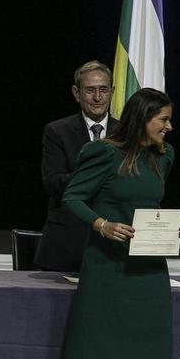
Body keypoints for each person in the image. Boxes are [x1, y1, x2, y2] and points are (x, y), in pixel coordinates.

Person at [60, 87, 180, 359]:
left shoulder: (164, 156)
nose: (169, 127)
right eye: (163, 120)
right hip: (107, 267)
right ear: (143, 119)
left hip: (148, 268)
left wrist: (175, 228)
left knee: (154, 343)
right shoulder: (104, 153)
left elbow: (150, 205)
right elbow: (72, 198)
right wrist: (102, 224)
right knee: (94, 342)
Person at [36, 61, 118, 271]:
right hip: (67, 244)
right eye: (90, 90)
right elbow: (54, 182)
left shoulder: (126, 133)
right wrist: (103, 179)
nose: (97, 97)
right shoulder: (57, 131)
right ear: (76, 92)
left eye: (103, 90)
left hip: (114, 246)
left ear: (113, 91)